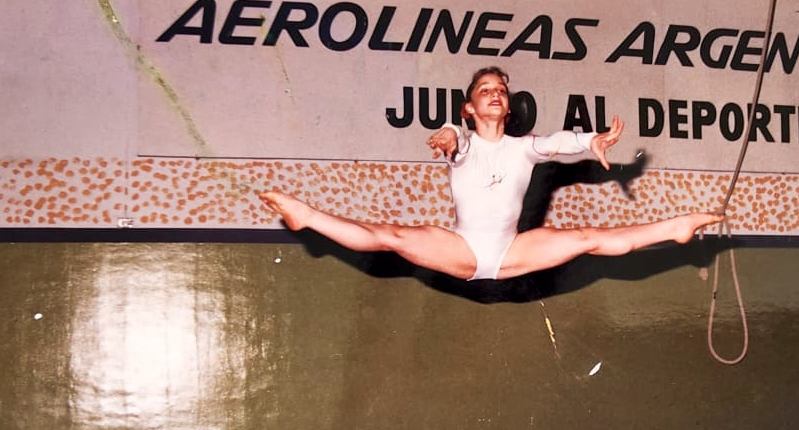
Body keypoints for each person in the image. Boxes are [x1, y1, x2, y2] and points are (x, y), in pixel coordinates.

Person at [259, 66, 722, 281]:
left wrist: (588, 142)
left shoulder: (523, 147)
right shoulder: (462, 142)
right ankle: (307, 216)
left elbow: (553, 143)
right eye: (485, 89)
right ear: (470, 106)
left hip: (511, 252)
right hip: (461, 249)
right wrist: (446, 138)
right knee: (393, 235)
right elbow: (453, 139)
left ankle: (676, 228)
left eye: (501, 88)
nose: (495, 93)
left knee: (586, 236)